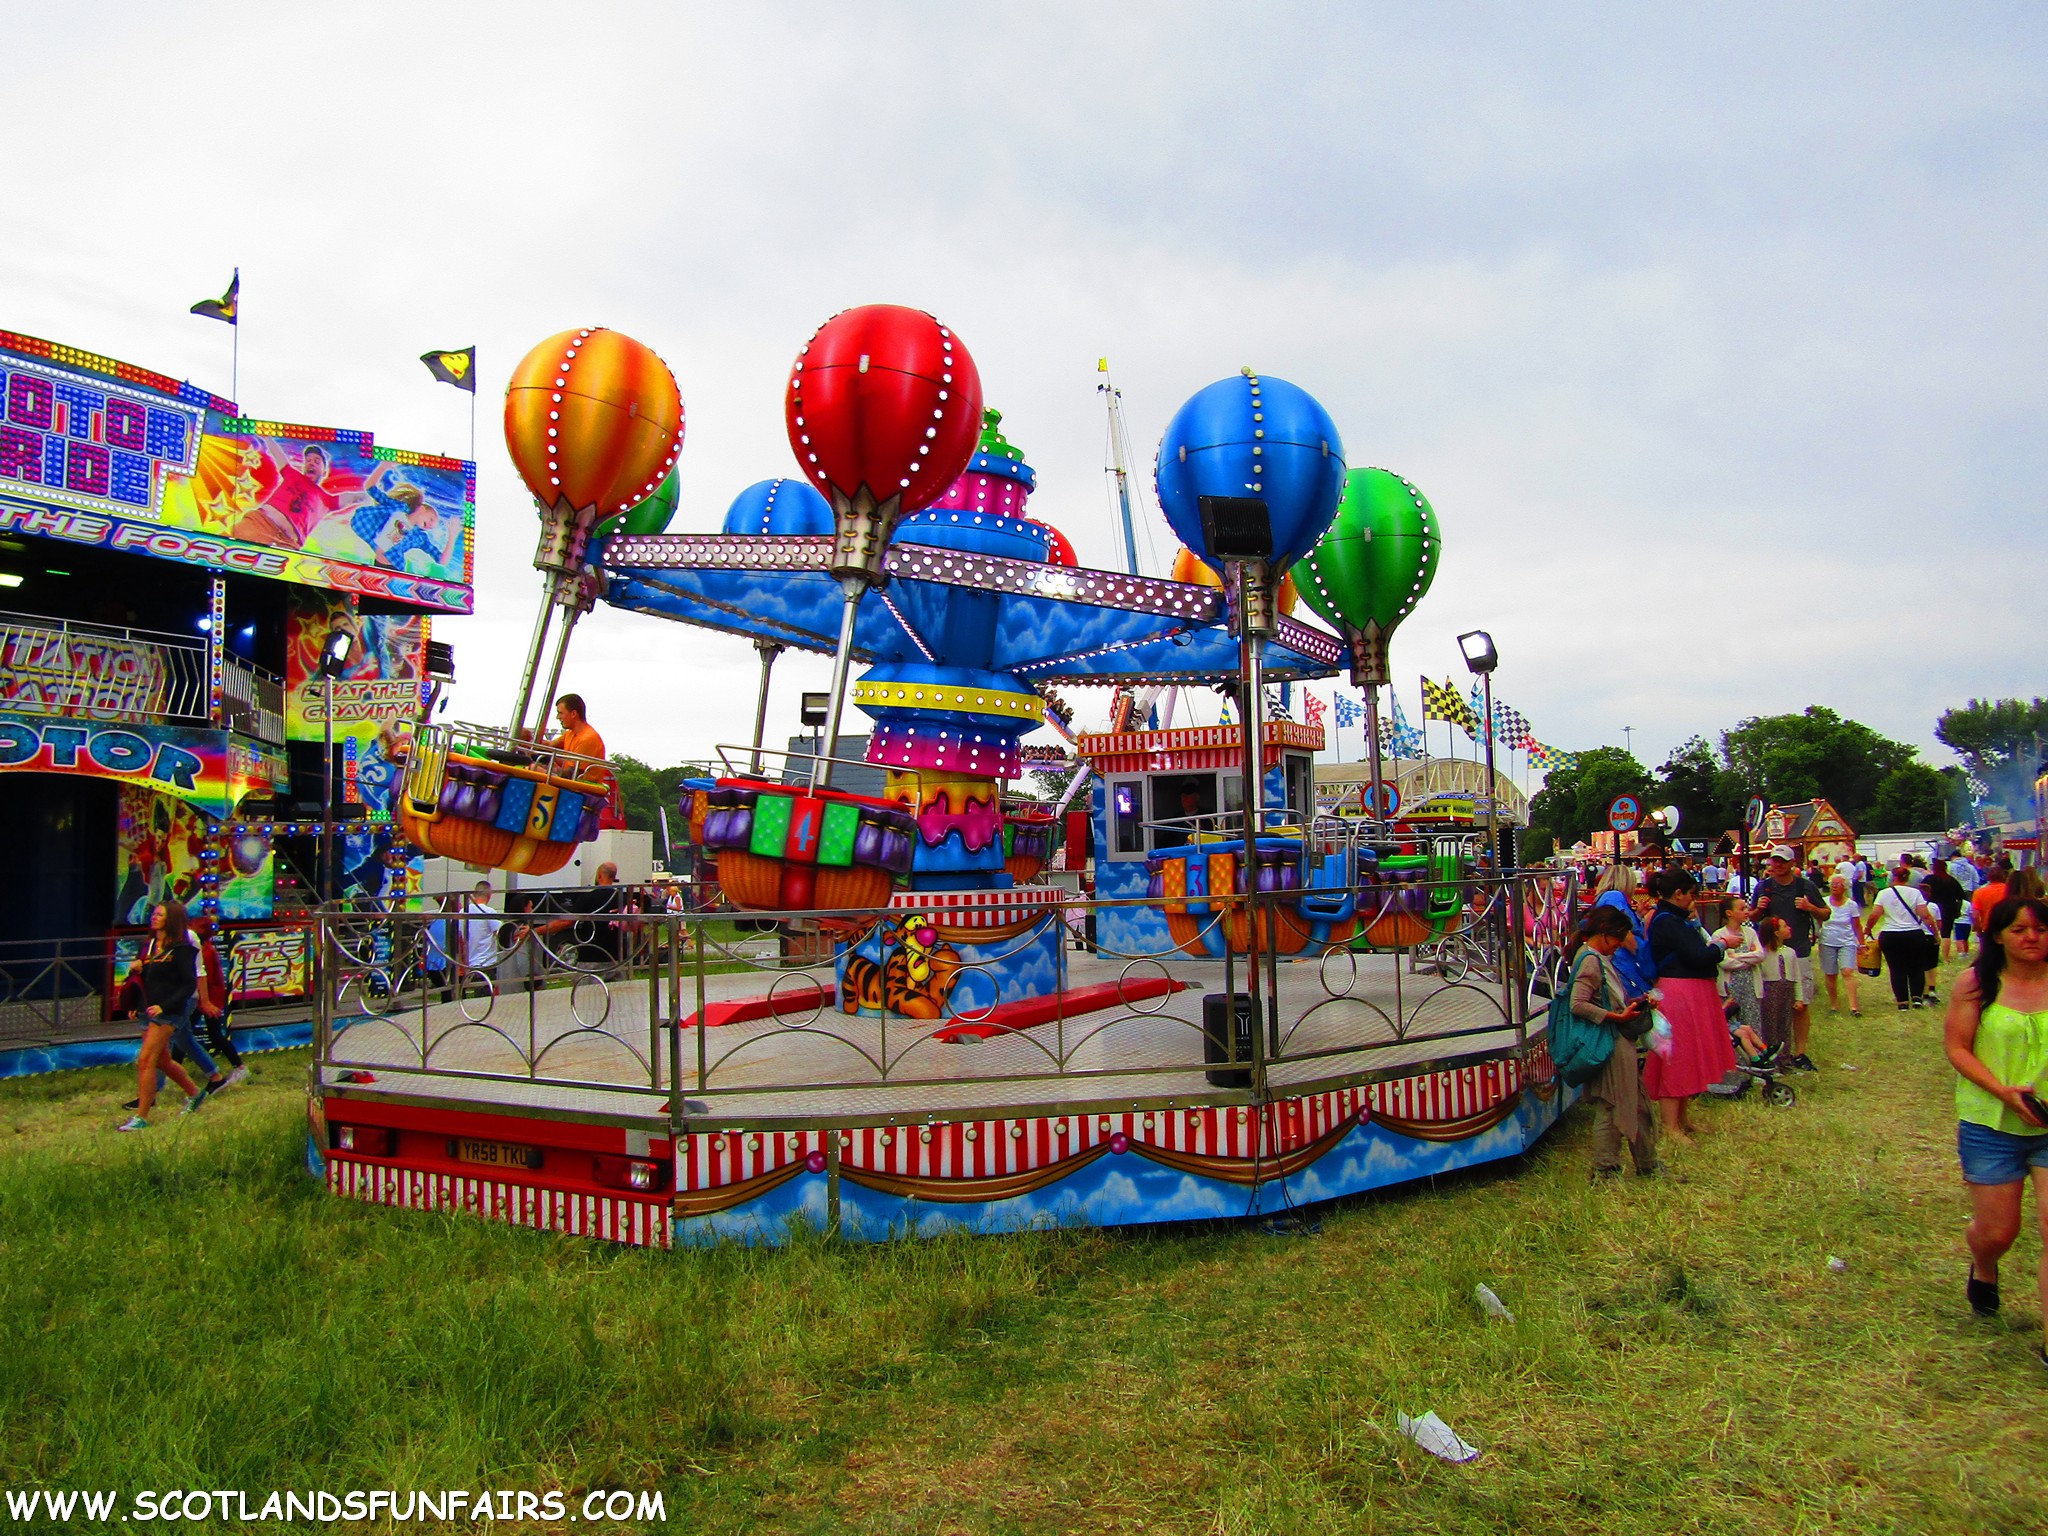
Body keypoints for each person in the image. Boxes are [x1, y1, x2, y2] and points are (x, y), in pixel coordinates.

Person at [1942, 895, 2048, 1369]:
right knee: (1999, 1231)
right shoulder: (1977, 983)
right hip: (1992, 1124)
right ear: (1999, 935)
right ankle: (1984, 1265)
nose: (2032, 938)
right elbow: (1958, 1049)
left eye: (2040, 929)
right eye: (2020, 930)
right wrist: (2004, 1092)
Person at [1642, 867, 1736, 1144]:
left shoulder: (1674, 919)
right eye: (1691, 894)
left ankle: (1682, 1119)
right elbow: (1697, 956)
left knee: (1687, 1054)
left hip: (1687, 992)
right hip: (1679, 993)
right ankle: (1670, 1125)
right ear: (1678, 894)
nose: (1693, 900)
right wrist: (1721, 945)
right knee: (1677, 1057)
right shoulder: (1667, 921)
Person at [1564, 905, 1658, 1178]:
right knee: (1614, 1105)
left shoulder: (1594, 957)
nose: (1620, 944)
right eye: (1618, 937)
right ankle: (1607, 1168)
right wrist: (1617, 1017)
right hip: (1610, 1040)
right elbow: (1577, 1004)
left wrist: (1632, 1005)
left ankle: (1646, 1163)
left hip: (1613, 1038)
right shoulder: (1591, 960)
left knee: (1633, 1102)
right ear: (1604, 933)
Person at [116, 902, 209, 1131]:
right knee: (162, 1061)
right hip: (146, 1008)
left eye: (160, 914)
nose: (154, 917)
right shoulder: (148, 946)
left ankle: (141, 1116)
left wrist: (164, 1006)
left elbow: (188, 984)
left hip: (168, 1012)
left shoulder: (182, 949)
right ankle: (195, 1093)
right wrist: (135, 1000)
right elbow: (146, 979)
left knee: (146, 1060)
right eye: (154, 914)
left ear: (171, 919)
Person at [1750, 846, 1828, 1072]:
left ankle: (1800, 1053)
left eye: (1782, 861)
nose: (1778, 865)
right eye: (1774, 861)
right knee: (1770, 1004)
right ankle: (1772, 1050)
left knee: (1800, 1004)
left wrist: (1809, 907)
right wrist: (1758, 909)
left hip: (1799, 950)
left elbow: (1826, 913)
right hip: (1770, 953)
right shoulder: (1764, 887)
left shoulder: (1805, 886)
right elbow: (1751, 916)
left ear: (1792, 863)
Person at [1870, 864, 1940, 1010]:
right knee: (1916, 967)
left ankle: (1902, 1001)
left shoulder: (1884, 893)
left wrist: (1867, 929)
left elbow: (1875, 914)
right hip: (1913, 934)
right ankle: (1916, 997)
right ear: (1907, 878)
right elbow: (1925, 916)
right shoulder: (1915, 893)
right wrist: (1935, 933)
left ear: (1893, 877)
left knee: (1896, 968)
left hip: (1890, 934)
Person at [191, 914, 248, 1087]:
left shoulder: (206, 951)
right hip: (202, 997)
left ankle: (239, 1067)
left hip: (209, 998)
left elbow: (205, 979)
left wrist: (204, 1002)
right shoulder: (201, 948)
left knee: (213, 1035)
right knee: (186, 1033)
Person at [1591, 864, 1655, 1000]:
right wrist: (1647, 961)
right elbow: (1622, 930)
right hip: (1623, 964)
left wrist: (1638, 915)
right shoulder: (1615, 897)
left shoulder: (1606, 898)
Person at [1714, 892, 1767, 1037]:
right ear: (1729, 913)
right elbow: (1725, 962)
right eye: (1742, 909)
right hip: (1731, 987)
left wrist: (1737, 956)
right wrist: (1749, 959)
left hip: (1750, 987)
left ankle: (1756, 1050)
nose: (1746, 911)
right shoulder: (1719, 935)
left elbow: (1760, 955)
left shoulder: (1750, 933)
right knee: (1733, 1025)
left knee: (1752, 1022)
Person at [1817, 874, 1864, 1016]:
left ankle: (1854, 1007)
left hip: (1847, 942)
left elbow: (1857, 926)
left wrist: (1861, 944)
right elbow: (1819, 921)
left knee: (1847, 972)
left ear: (1845, 888)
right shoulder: (1824, 902)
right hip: (1827, 942)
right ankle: (1834, 1004)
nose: (1834, 887)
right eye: (1832, 884)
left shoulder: (1851, 905)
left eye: (1838, 884)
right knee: (1830, 974)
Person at [458, 881, 504, 996]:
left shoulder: (463, 912)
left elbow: (460, 938)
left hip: (470, 962)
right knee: (486, 996)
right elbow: (500, 932)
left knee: (478, 995)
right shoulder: (489, 912)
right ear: (490, 894)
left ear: (474, 894)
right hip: (487, 962)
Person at [1925, 858, 1968, 966]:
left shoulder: (1929, 879)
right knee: (1946, 933)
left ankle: (1931, 955)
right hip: (1948, 908)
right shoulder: (1951, 880)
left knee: (1929, 930)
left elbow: (1921, 890)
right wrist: (1957, 909)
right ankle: (1945, 958)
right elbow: (1961, 896)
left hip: (1932, 907)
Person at [547, 693, 607, 762]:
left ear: (573, 714)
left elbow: (571, 769)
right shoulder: (570, 733)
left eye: (560, 713)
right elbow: (549, 745)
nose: (557, 717)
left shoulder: (587, 739)